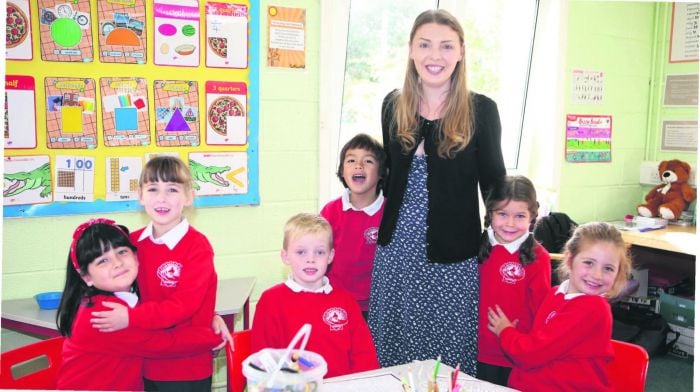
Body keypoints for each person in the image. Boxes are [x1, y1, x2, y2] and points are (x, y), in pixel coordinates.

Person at [368, 9, 506, 375]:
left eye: (447, 46)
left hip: (453, 258)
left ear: (461, 52)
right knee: (394, 353)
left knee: (447, 359)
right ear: (411, 50)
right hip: (396, 254)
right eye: (425, 45)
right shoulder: (392, 106)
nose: (435, 56)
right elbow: (391, 177)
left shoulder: (481, 110)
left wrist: (512, 237)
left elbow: (496, 185)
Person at [89, 156, 223, 392]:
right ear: (140, 195)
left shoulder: (197, 247)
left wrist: (131, 318)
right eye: (153, 189)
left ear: (189, 197)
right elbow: (115, 289)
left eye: (172, 189)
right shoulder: (131, 243)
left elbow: (184, 305)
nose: (161, 198)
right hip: (141, 362)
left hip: (185, 367)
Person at [56, 219, 223, 391]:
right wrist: (213, 337)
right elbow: (163, 344)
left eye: (122, 252)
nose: (117, 263)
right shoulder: (102, 314)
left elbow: (175, 301)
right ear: (86, 277)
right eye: (102, 261)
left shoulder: (127, 297)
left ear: (137, 257)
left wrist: (211, 316)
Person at [487, 222, 632, 391]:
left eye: (608, 268)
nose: (597, 275)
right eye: (589, 263)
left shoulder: (593, 308)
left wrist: (505, 332)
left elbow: (532, 354)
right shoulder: (556, 293)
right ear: (570, 259)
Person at [251, 213, 380, 378]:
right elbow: (264, 360)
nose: (310, 259)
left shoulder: (346, 302)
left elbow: (365, 357)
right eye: (301, 252)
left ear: (331, 256)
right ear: (285, 256)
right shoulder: (271, 301)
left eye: (319, 252)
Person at [476, 175, 551, 386]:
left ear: (532, 216)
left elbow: (541, 312)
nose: (510, 223)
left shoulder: (539, 257)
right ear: (490, 213)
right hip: (476, 351)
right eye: (502, 214)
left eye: (519, 216)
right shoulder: (476, 247)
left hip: (516, 355)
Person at [321, 133, 386, 318]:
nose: (358, 165)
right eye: (351, 160)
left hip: (376, 308)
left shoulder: (390, 213)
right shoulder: (330, 211)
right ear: (342, 171)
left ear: (381, 172)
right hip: (334, 303)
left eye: (368, 161)